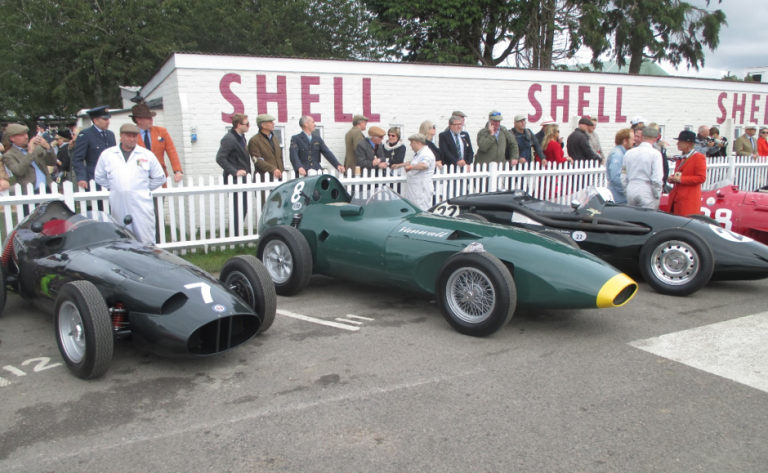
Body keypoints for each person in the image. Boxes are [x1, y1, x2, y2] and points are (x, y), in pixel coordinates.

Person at [94, 124, 166, 244]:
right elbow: (99, 177)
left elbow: (160, 177)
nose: (132, 139)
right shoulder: (108, 155)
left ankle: (148, 260)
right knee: (122, 236)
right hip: (118, 201)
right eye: (128, 136)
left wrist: (141, 188)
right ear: (121, 136)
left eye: (134, 136)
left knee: (146, 236)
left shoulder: (146, 154)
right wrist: (116, 186)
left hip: (141, 201)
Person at [215, 113, 252, 236]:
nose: (249, 126)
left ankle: (237, 233)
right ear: (238, 125)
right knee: (237, 208)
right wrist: (234, 172)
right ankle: (235, 234)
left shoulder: (241, 138)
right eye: (246, 124)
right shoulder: (229, 139)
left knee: (244, 207)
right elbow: (220, 158)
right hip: (235, 180)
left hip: (244, 179)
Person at [131, 103, 183, 185]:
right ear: (138, 120)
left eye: (151, 117)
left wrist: (177, 171)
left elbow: (172, 151)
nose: (151, 119)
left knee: (161, 197)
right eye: (148, 118)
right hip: (139, 177)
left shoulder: (162, 131)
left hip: (159, 175)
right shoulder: (130, 134)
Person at [3, 123, 57, 196]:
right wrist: (30, 152)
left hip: (48, 189)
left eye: (26, 134)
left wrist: (48, 148)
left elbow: (52, 162)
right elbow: (18, 171)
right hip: (30, 193)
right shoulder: (9, 155)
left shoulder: (37, 147)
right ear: (12, 138)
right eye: (22, 135)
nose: (26, 137)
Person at [71, 106, 116, 191]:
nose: (108, 122)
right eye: (105, 119)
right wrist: (81, 177)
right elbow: (77, 158)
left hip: (111, 178)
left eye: (108, 119)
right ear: (95, 121)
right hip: (94, 178)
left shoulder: (110, 134)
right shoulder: (86, 134)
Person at [621, 127, 664, 209]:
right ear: (655, 139)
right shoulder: (655, 154)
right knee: (647, 219)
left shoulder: (628, 153)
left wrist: (626, 190)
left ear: (642, 137)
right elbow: (657, 178)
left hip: (631, 188)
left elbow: (623, 176)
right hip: (647, 190)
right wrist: (657, 194)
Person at [667, 130, 707, 216]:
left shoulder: (699, 157)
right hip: (676, 199)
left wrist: (680, 179)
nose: (677, 144)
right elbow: (680, 174)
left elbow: (701, 178)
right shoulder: (682, 157)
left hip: (688, 200)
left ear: (688, 144)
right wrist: (672, 178)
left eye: (680, 142)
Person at [391, 134, 435, 210]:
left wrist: (411, 167)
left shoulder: (427, 153)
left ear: (418, 142)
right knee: (413, 208)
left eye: (412, 142)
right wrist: (399, 165)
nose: (410, 145)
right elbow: (412, 162)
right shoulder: (419, 154)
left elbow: (424, 165)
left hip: (421, 188)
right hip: (415, 187)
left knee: (421, 209)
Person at [249, 114, 284, 181]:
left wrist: (281, 170)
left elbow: (279, 157)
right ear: (263, 125)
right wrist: (273, 169)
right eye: (270, 122)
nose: (273, 124)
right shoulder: (254, 140)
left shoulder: (274, 138)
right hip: (264, 177)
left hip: (279, 176)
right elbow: (257, 160)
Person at [605, 129, 632, 204]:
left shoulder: (621, 153)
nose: (634, 142)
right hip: (617, 197)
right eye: (632, 139)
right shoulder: (617, 155)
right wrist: (625, 191)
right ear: (625, 141)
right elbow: (615, 176)